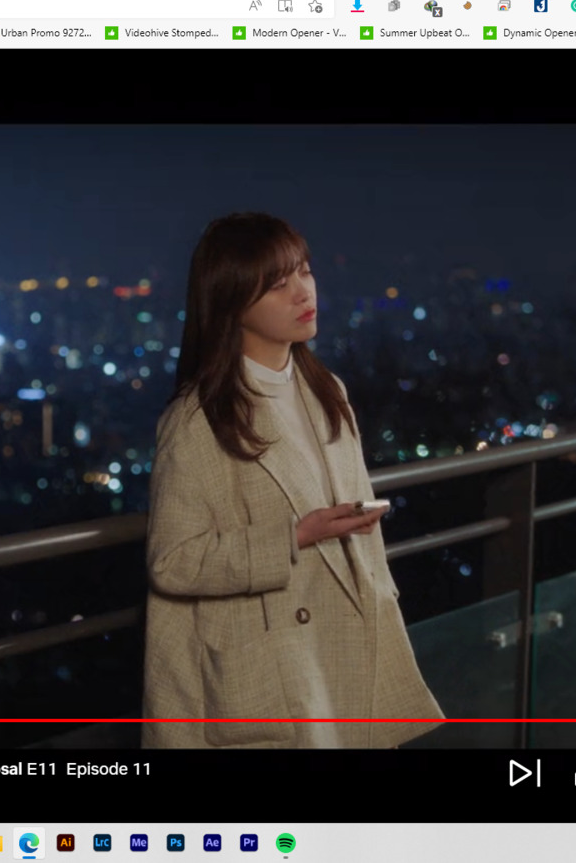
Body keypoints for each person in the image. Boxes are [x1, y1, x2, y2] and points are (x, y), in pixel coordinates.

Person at [141, 212, 443, 749]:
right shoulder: (198, 419)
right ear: (233, 304)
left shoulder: (325, 388)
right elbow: (173, 560)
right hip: (273, 659)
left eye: (304, 271)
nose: (303, 292)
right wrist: (294, 536)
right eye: (277, 285)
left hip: (343, 635)